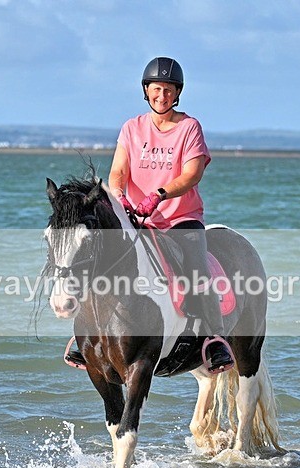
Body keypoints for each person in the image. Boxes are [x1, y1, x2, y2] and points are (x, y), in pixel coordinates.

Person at [67, 56, 234, 374]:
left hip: (180, 219)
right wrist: (117, 197)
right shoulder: (132, 128)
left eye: (169, 90)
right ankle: (86, 338)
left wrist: (158, 195)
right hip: (136, 219)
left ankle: (214, 341)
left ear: (178, 93)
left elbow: (192, 174)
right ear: (146, 91)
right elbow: (118, 171)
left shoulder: (189, 128)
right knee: (99, 262)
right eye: (157, 89)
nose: (162, 96)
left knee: (197, 271)